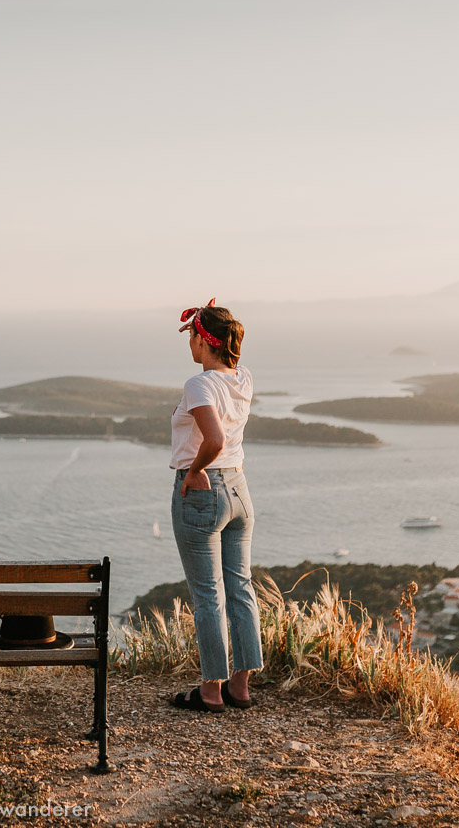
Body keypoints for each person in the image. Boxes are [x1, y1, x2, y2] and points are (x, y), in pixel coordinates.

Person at [168, 298, 262, 713]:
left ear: (203, 340)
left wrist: (194, 471)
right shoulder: (242, 378)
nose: (189, 342)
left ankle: (210, 691)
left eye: (192, 334)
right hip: (239, 490)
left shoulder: (199, 385)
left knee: (208, 594)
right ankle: (239, 687)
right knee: (240, 586)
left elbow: (213, 441)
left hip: (204, 491)